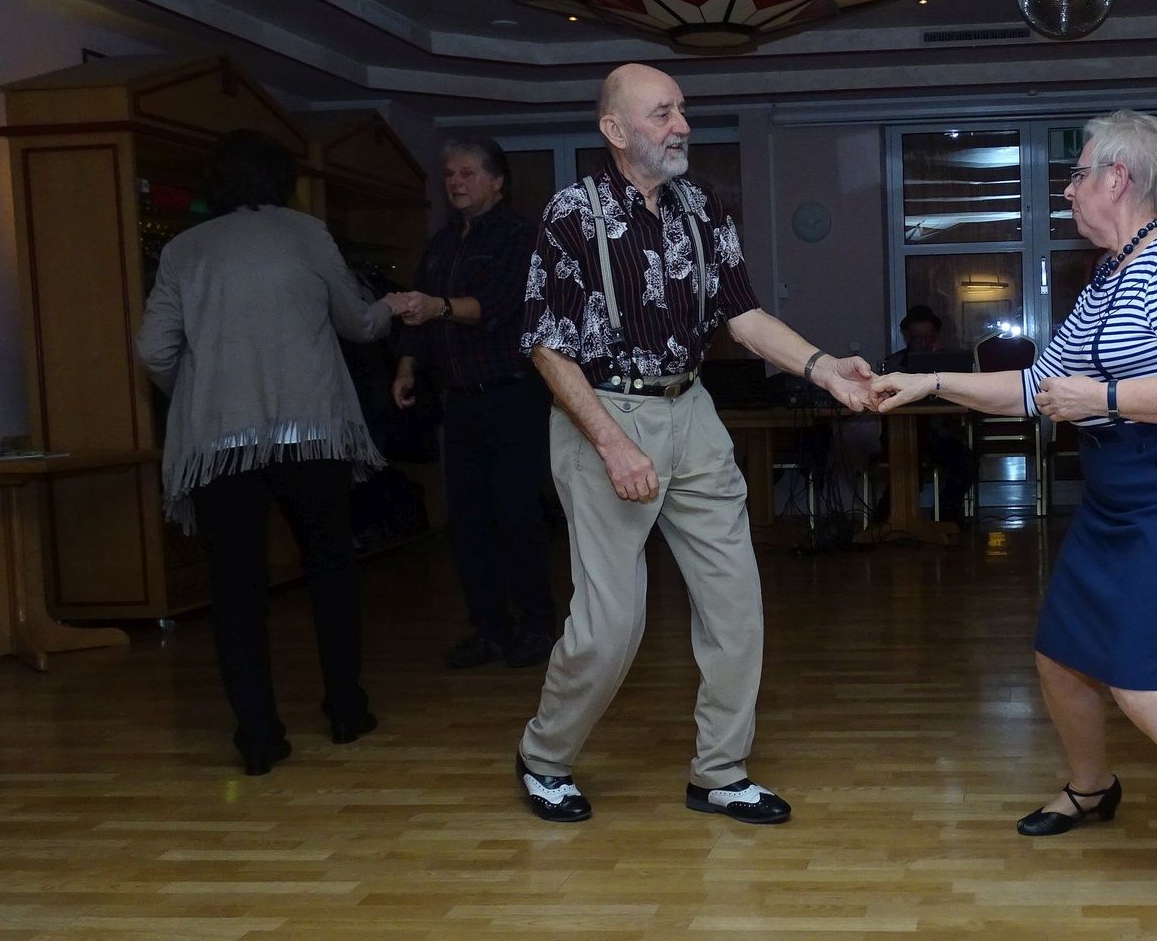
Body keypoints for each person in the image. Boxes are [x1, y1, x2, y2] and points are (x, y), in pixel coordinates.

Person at [872, 110, 1157, 930]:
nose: (1066, 191)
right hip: (1118, 488)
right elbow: (1039, 386)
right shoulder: (1110, 274)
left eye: (1076, 176)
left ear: (1118, 177)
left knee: (1141, 679)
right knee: (1060, 654)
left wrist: (1098, 397)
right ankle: (1091, 786)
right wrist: (928, 383)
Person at [512, 63, 875, 826]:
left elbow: (743, 317)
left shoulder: (702, 206)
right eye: (661, 113)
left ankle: (719, 772)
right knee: (611, 625)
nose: (680, 126)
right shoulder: (572, 213)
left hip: (692, 409)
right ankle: (544, 755)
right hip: (604, 413)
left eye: (681, 110)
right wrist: (613, 445)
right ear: (614, 130)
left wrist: (822, 368)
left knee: (735, 607)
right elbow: (546, 346)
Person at [136, 130, 400, 775]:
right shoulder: (307, 233)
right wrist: (391, 305)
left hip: (219, 445)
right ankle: (346, 710)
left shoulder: (184, 249)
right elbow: (357, 323)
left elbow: (153, 350)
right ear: (282, 180)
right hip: (311, 435)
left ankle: (257, 738)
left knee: (235, 587)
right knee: (331, 566)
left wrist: (199, 394)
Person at [388, 136, 556, 671]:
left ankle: (538, 626)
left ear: (497, 181)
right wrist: (407, 367)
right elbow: (417, 317)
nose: (456, 183)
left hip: (512, 397)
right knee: (467, 522)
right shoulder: (441, 244)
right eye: (449, 175)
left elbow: (497, 306)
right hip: (458, 404)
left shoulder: (521, 237)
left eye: (467, 173)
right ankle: (489, 629)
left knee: (516, 514)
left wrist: (437, 306)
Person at [883, 304, 976, 520]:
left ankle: (945, 517)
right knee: (905, 465)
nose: (924, 343)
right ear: (907, 336)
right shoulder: (894, 365)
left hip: (938, 434)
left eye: (929, 338)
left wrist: (939, 367)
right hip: (898, 434)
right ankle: (886, 520)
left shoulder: (947, 363)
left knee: (966, 463)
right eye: (919, 339)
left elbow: (959, 401)